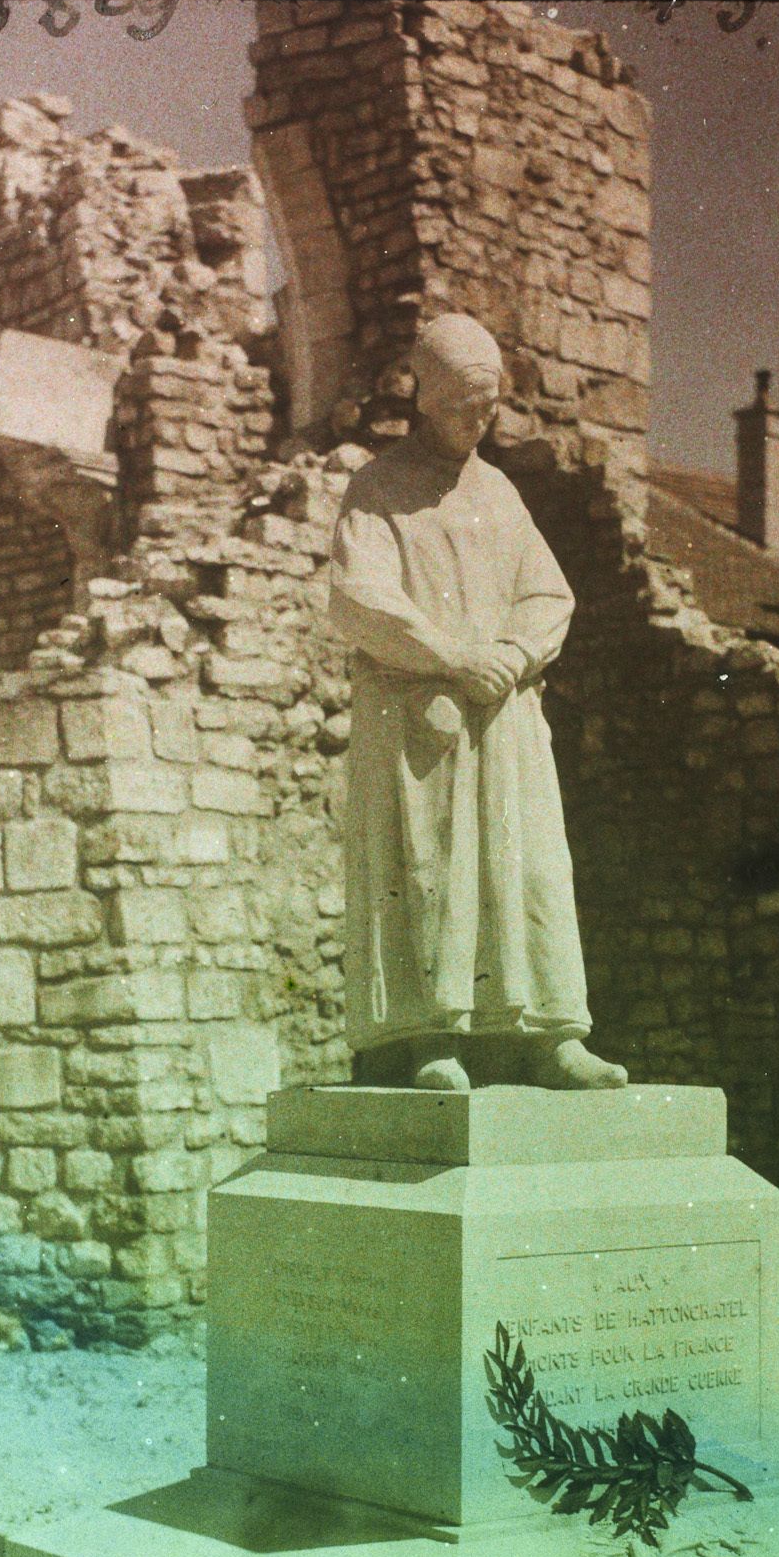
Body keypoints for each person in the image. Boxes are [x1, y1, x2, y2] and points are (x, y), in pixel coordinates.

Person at [328, 312, 628, 1093]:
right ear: (425, 398)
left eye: (488, 405)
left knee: (529, 872)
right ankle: (430, 1037)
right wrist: (453, 656)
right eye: (463, 405)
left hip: (503, 719)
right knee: (430, 870)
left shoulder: (497, 491)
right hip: (421, 720)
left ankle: (550, 1036)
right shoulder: (378, 487)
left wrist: (514, 654)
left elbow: (548, 595)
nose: (479, 420)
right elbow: (358, 597)